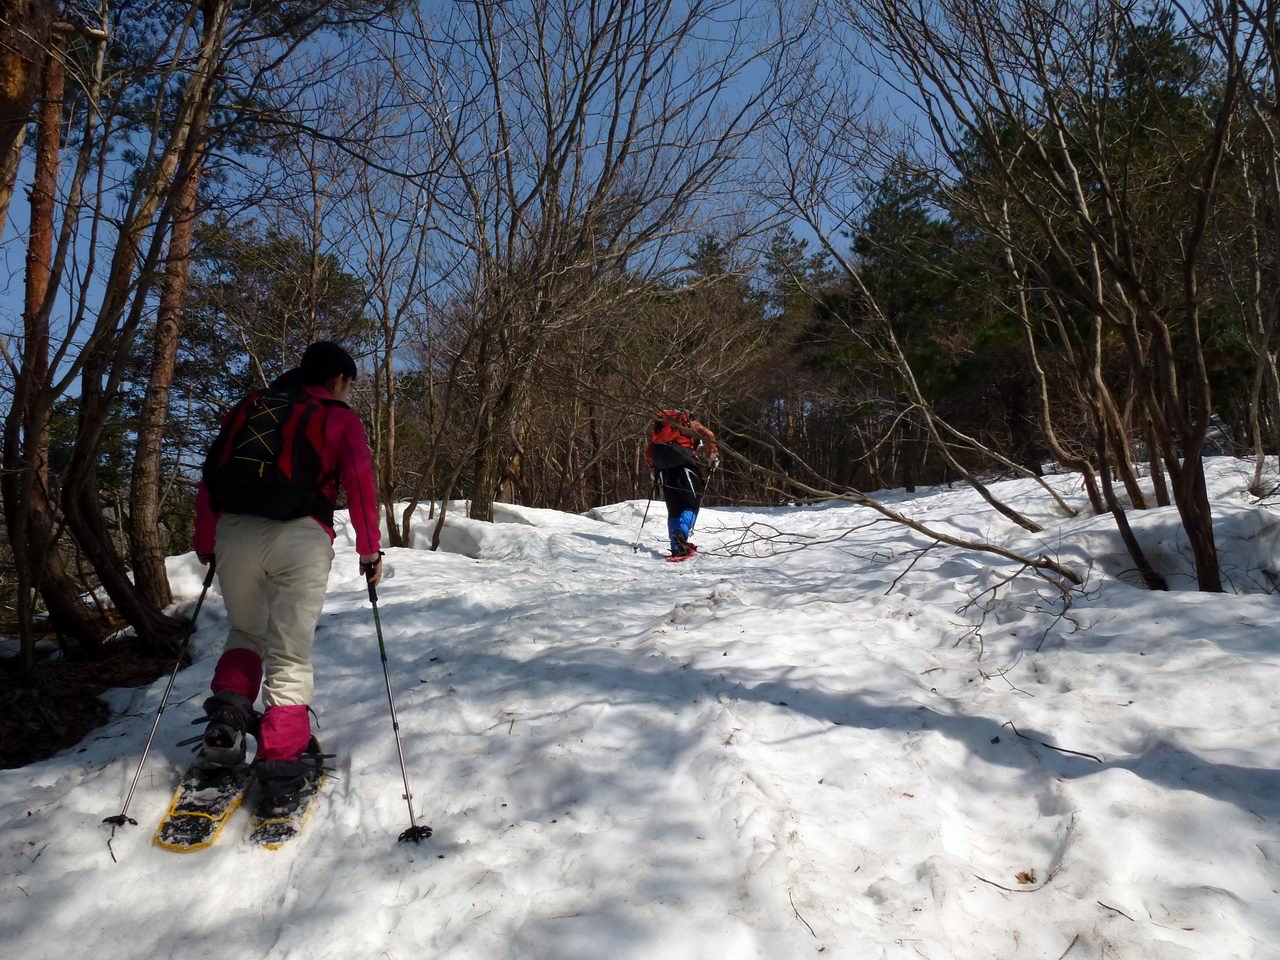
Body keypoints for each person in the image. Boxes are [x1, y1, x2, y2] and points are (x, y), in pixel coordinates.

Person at [191, 341, 383, 809]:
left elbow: (212, 474)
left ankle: (227, 724)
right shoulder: (340, 418)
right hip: (301, 537)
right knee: (289, 652)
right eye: (351, 384)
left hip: (236, 533)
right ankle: (280, 761)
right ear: (338, 380)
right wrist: (369, 551)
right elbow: (360, 484)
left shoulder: (251, 407)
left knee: (245, 633)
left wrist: (207, 541)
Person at [645, 408, 719, 559]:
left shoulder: (660, 429)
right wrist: (712, 454)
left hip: (665, 470)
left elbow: (650, 451)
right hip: (686, 466)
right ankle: (681, 536)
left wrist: (653, 469)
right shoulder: (689, 424)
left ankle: (677, 545)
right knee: (691, 505)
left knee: (674, 509)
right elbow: (709, 435)